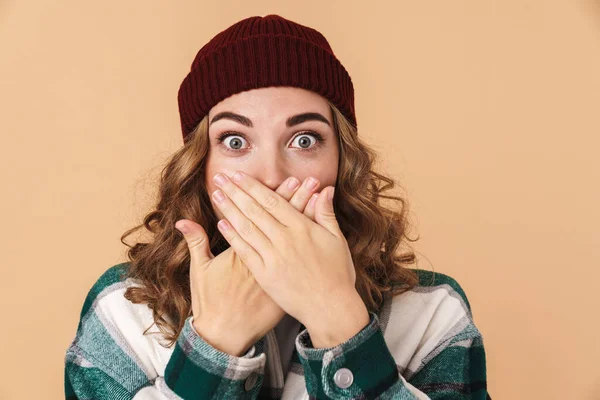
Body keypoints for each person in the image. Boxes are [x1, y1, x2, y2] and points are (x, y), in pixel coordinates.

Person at [64, 14, 490, 399]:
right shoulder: (123, 309)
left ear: (343, 163)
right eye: (235, 141)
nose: (270, 176)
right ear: (199, 165)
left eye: (304, 140)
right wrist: (214, 346)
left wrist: (338, 320)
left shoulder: (430, 312)